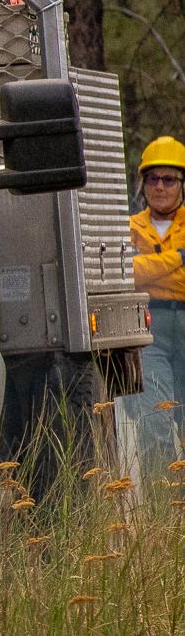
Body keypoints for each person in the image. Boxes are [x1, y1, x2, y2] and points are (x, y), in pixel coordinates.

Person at [124, 137, 185, 469]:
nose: (160, 187)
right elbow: (126, 273)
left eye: (169, 179)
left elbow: (139, 269)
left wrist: (150, 267)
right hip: (151, 334)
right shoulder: (129, 228)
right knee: (154, 421)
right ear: (142, 183)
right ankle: (162, 513)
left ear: (182, 185)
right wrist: (178, 259)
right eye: (153, 179)